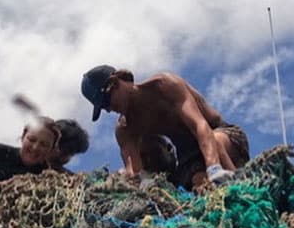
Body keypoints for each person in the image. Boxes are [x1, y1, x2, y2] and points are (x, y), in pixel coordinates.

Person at [80, 65, 249, 190]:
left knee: (216, 143)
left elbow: (199, 125)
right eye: (103, 108)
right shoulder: (125, 130)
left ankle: (241, 191)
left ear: (115, 83)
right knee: (202, 187)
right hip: (189, 158)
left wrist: (214, 168)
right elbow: (136, 173)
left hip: (222, 136)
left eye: (106, 102)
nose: (109, 109)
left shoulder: (164, 86)